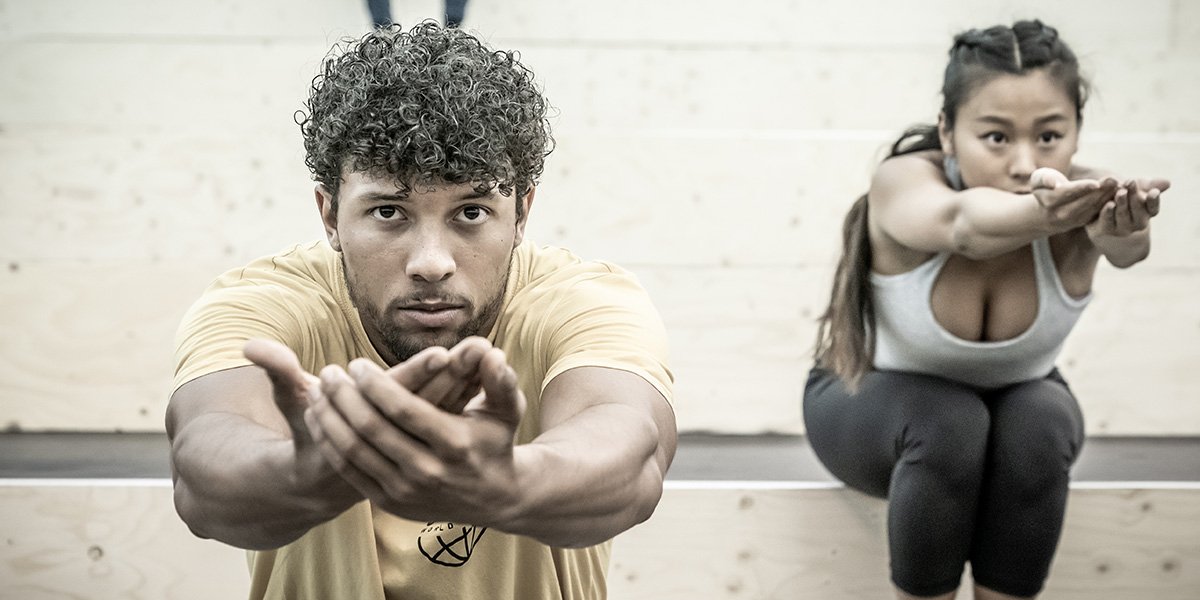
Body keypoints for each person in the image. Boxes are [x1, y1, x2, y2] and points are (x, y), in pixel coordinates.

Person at [166, 22, 676, 600]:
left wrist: (506, 484)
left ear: (522, 213)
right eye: (388, 212)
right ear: (330, 215)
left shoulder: (583, 300)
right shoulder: (262, 302)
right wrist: (304, 475)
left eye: (472, 212)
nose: (431, 264)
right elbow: (202, 470)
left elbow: (631, 455)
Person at [803, 20, 1168, 600]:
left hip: (1006, 412)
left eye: (1050, 136)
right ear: (948, 132)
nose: (1025, 163)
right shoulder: (903, 182)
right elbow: (964, 227)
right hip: (866, 403)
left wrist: (1124, 225)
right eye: (996, 137)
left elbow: (1128, 249)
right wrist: (1052, 215)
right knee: (950, 421)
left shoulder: (1089, 197)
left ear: (1077, 131)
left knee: (1040, 418)